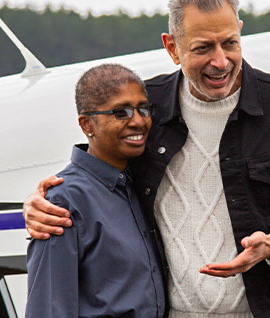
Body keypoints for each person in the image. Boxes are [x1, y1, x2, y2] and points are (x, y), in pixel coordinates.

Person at [24, 0, 270, 318]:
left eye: (230, 43)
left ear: (240, 31)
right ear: (172, 48)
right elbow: (100, 169)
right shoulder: (146, 109)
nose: (220, 61)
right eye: (202, 48)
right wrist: (47, 201)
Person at [25, 64, 165, 318]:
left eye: (143, 109)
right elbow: (49, 308)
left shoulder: (142, 183)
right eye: (120, 112)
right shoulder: (63, 201)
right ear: (87, 124)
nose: (138, 121)